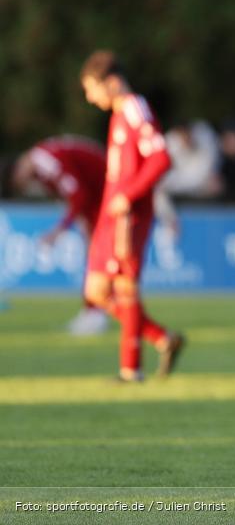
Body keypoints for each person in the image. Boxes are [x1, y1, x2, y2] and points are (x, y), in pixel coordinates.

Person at [79, 50, 184, 382]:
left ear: (111, 82)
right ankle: (161, 338)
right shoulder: (120, 114)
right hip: (112, 214)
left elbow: (161, 158)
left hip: (129, 216)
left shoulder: (136, 108)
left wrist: (128, 194)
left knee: (125, 288)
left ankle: (130, 370)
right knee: (97, 291)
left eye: (91, 88)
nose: (89, 97)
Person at [9, 136, 109, 335]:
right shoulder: (41, 166)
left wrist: (58, 231)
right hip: (99, 198)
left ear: (19, 167)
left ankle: (97, 313)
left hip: (107, 195)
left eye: (19, 180)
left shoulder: (44, 161)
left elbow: (79, 195)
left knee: (100, 259)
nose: (24, 184)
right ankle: (93, 311)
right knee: (96, 258)